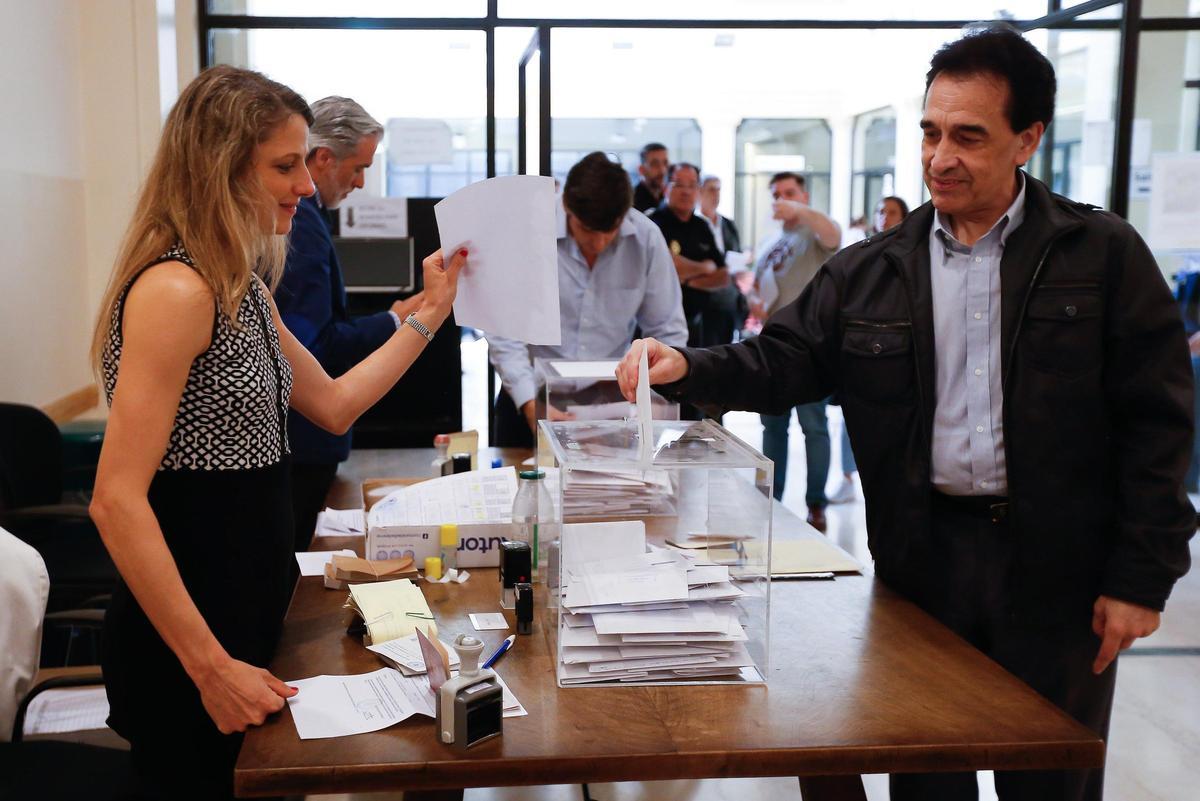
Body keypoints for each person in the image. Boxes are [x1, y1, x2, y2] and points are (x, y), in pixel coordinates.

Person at [616, 27, 1193, 801]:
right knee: (927, 783)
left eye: (968, 136)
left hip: (1059, 573)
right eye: (930, 132)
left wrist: (1140, 577)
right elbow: (782, 359)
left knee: (1052, 780)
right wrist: (688, 364)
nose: (939, 156)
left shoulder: (1102, 255)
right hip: (924, 568)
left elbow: (1159, 420)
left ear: (1027, 139)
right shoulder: (871, 269)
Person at [87, 66, 464, 799]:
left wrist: (429, 314)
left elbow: (335, 404)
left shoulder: (241, 285)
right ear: (219, 169)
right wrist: (210, 667)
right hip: (194, 641)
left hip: (247, 615)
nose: (305, 185)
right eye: (284, 166)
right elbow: (116, 500)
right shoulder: (177, 290)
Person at [274, 96, 423, 553]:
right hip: (304, 439)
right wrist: (399, 321)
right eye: (358, 168)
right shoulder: (301, 224)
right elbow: (314, 348)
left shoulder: (309, 219)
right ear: (323, 158)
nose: (360, 183)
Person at [488, 152, 687, 447]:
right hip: (530, 392)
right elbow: (504, 328)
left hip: (612, 402)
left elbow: (667, 329)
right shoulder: (527, 232)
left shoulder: (646, 238)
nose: (599, 243)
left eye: (610, 232)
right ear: (566, 206)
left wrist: (651, 400)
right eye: (588, 231)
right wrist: (529, 401)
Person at [746, 171, 841, 529]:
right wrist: (754, 299)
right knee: (772, 427)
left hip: (810, 345)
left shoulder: (814, 233)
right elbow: (758, 283)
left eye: (789, 192)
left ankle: (816, 503)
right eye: (776, 194)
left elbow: (833, 234)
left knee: (813, 426)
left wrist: (801, 211)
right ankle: (771, 501)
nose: (780, 199)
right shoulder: (771, 239)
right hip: (771, 344)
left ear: (804, 195)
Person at [829, 195, 911, 505]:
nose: (884, 217)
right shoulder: (860, 253)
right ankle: (849, 477)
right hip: (861, 349)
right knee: (852, 417)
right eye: (880, 211)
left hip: (897, 351)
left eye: (891, 212)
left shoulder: (912, 254)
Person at [649, 163, 731, 352]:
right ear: (666, 188)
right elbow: (666, 266)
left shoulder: (702, 226)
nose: (686, 192)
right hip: (661, 325)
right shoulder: (653, 223)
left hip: (701, 324)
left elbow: (723, 276)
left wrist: (687, 281)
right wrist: (704, 268)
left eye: (692, 185)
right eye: (678, 184)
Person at [633, 142, 669, 213]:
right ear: (641, 170)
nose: (663, 170)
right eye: (655, 164)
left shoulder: (669, 197)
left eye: (665, 163)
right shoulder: (631, 201)